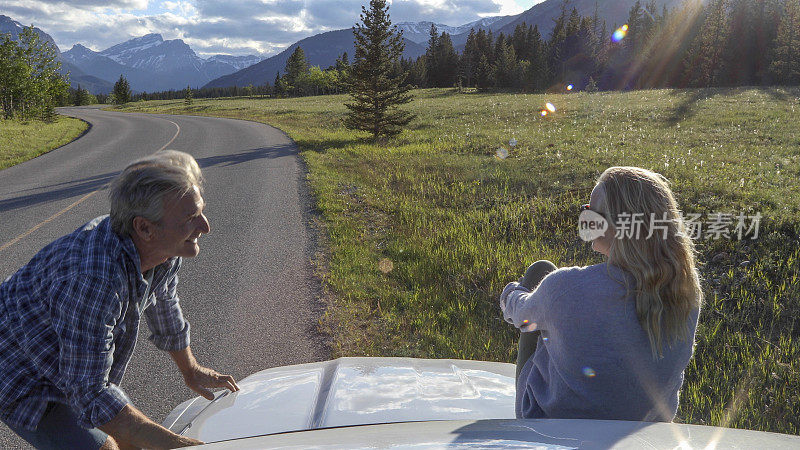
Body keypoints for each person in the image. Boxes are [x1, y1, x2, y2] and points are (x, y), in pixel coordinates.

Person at [0, 150, 240, 449]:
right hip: (19, 370)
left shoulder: (163, 249)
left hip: (73, 366)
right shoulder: (94, 280)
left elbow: (165, 306)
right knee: (109, 446)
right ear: (144, 228)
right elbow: (90, 394)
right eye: (190, 218)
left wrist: (191, 370)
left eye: (201, 211)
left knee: (131, 437)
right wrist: (180, 445)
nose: (205, 226)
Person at [499, 166, 703, 422]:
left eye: (592, 212)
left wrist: (510, 292)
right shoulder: (686, 290)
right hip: (644, 430)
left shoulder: (565, 287)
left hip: (550, 423)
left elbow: (520, 314)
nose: (586, 217)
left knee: (540, 273)